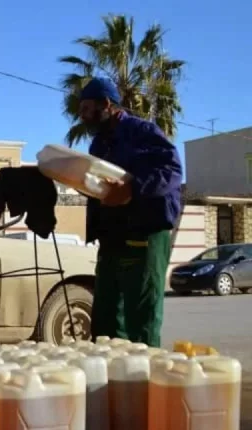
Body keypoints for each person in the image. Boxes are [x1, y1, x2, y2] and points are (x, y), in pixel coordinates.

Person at [78, 77, 183, 348]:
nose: (84, 117)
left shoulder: (143, 132)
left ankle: (144, 381)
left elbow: (171, 171)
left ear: (106, 104)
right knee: (106, 319)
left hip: (145, 234)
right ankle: (111, 384)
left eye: (88, 109)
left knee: (141, 320)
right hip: (112, 235)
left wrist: (132, 189)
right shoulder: (98, 144)